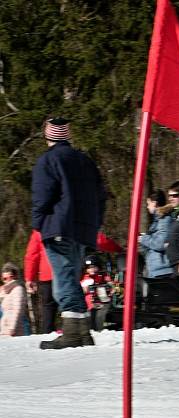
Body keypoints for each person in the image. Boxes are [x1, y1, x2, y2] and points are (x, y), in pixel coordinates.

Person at [32, 117, 106, 349]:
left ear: (48, 136)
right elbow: (101, 196)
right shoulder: (86, 161)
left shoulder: (48, 160)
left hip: (58, 227)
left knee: (63, 282)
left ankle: (73, 334)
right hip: (83, 229)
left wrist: (39, 222)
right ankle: (83, 332)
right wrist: (94, 224)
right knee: (71, 279)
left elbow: (42, 196)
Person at [23, 230, 57, 333]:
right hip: (67, 272)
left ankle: (48, 333)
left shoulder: (41, 229)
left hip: (47, 275)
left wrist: (30, 278)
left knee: (48, 308)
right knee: (69, 305)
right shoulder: (68, 221)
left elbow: (32, 255)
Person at [138, 190, 173, 278]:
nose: (147, 207)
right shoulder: (157, 220)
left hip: (163, 270)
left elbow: (161, 243)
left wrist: (143, 239)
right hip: (156, 270)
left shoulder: (164, 219)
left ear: (154, 203)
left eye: (148, 203)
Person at [80, 255, 113, 332]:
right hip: (89, 304)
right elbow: (82, 290)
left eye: (94, 267)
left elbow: (111, 285)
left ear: (98, 267)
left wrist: (109, 287)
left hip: (102, 302)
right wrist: (85, 288)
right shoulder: (85, 278)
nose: (91, 269)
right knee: (89, 319)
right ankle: (91, 330)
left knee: (99, 317)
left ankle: (99, 331)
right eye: (89, 268)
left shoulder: (102, 276)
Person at [0, 263, 28, 337]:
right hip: (5, 327)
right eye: (4, 279)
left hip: (13, 329)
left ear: (15, 276)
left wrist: (12, 328)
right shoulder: (8, 290)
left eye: (10, 277)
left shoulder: (18, 289)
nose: (7, 280)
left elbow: (17, 310)